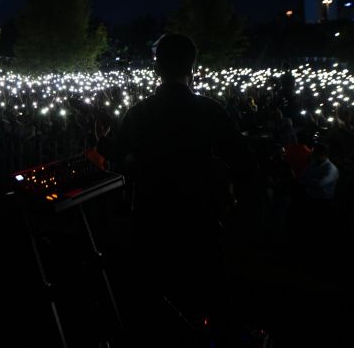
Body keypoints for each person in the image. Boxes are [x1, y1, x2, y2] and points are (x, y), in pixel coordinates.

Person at [96, 34, 255, 344]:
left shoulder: (138, 113)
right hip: (200, 223)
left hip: (152, 223)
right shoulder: (209, 111)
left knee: (152, 310)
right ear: (192, 69)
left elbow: (115, 160)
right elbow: (245, 164)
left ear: (157, 69)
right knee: (206, 302)